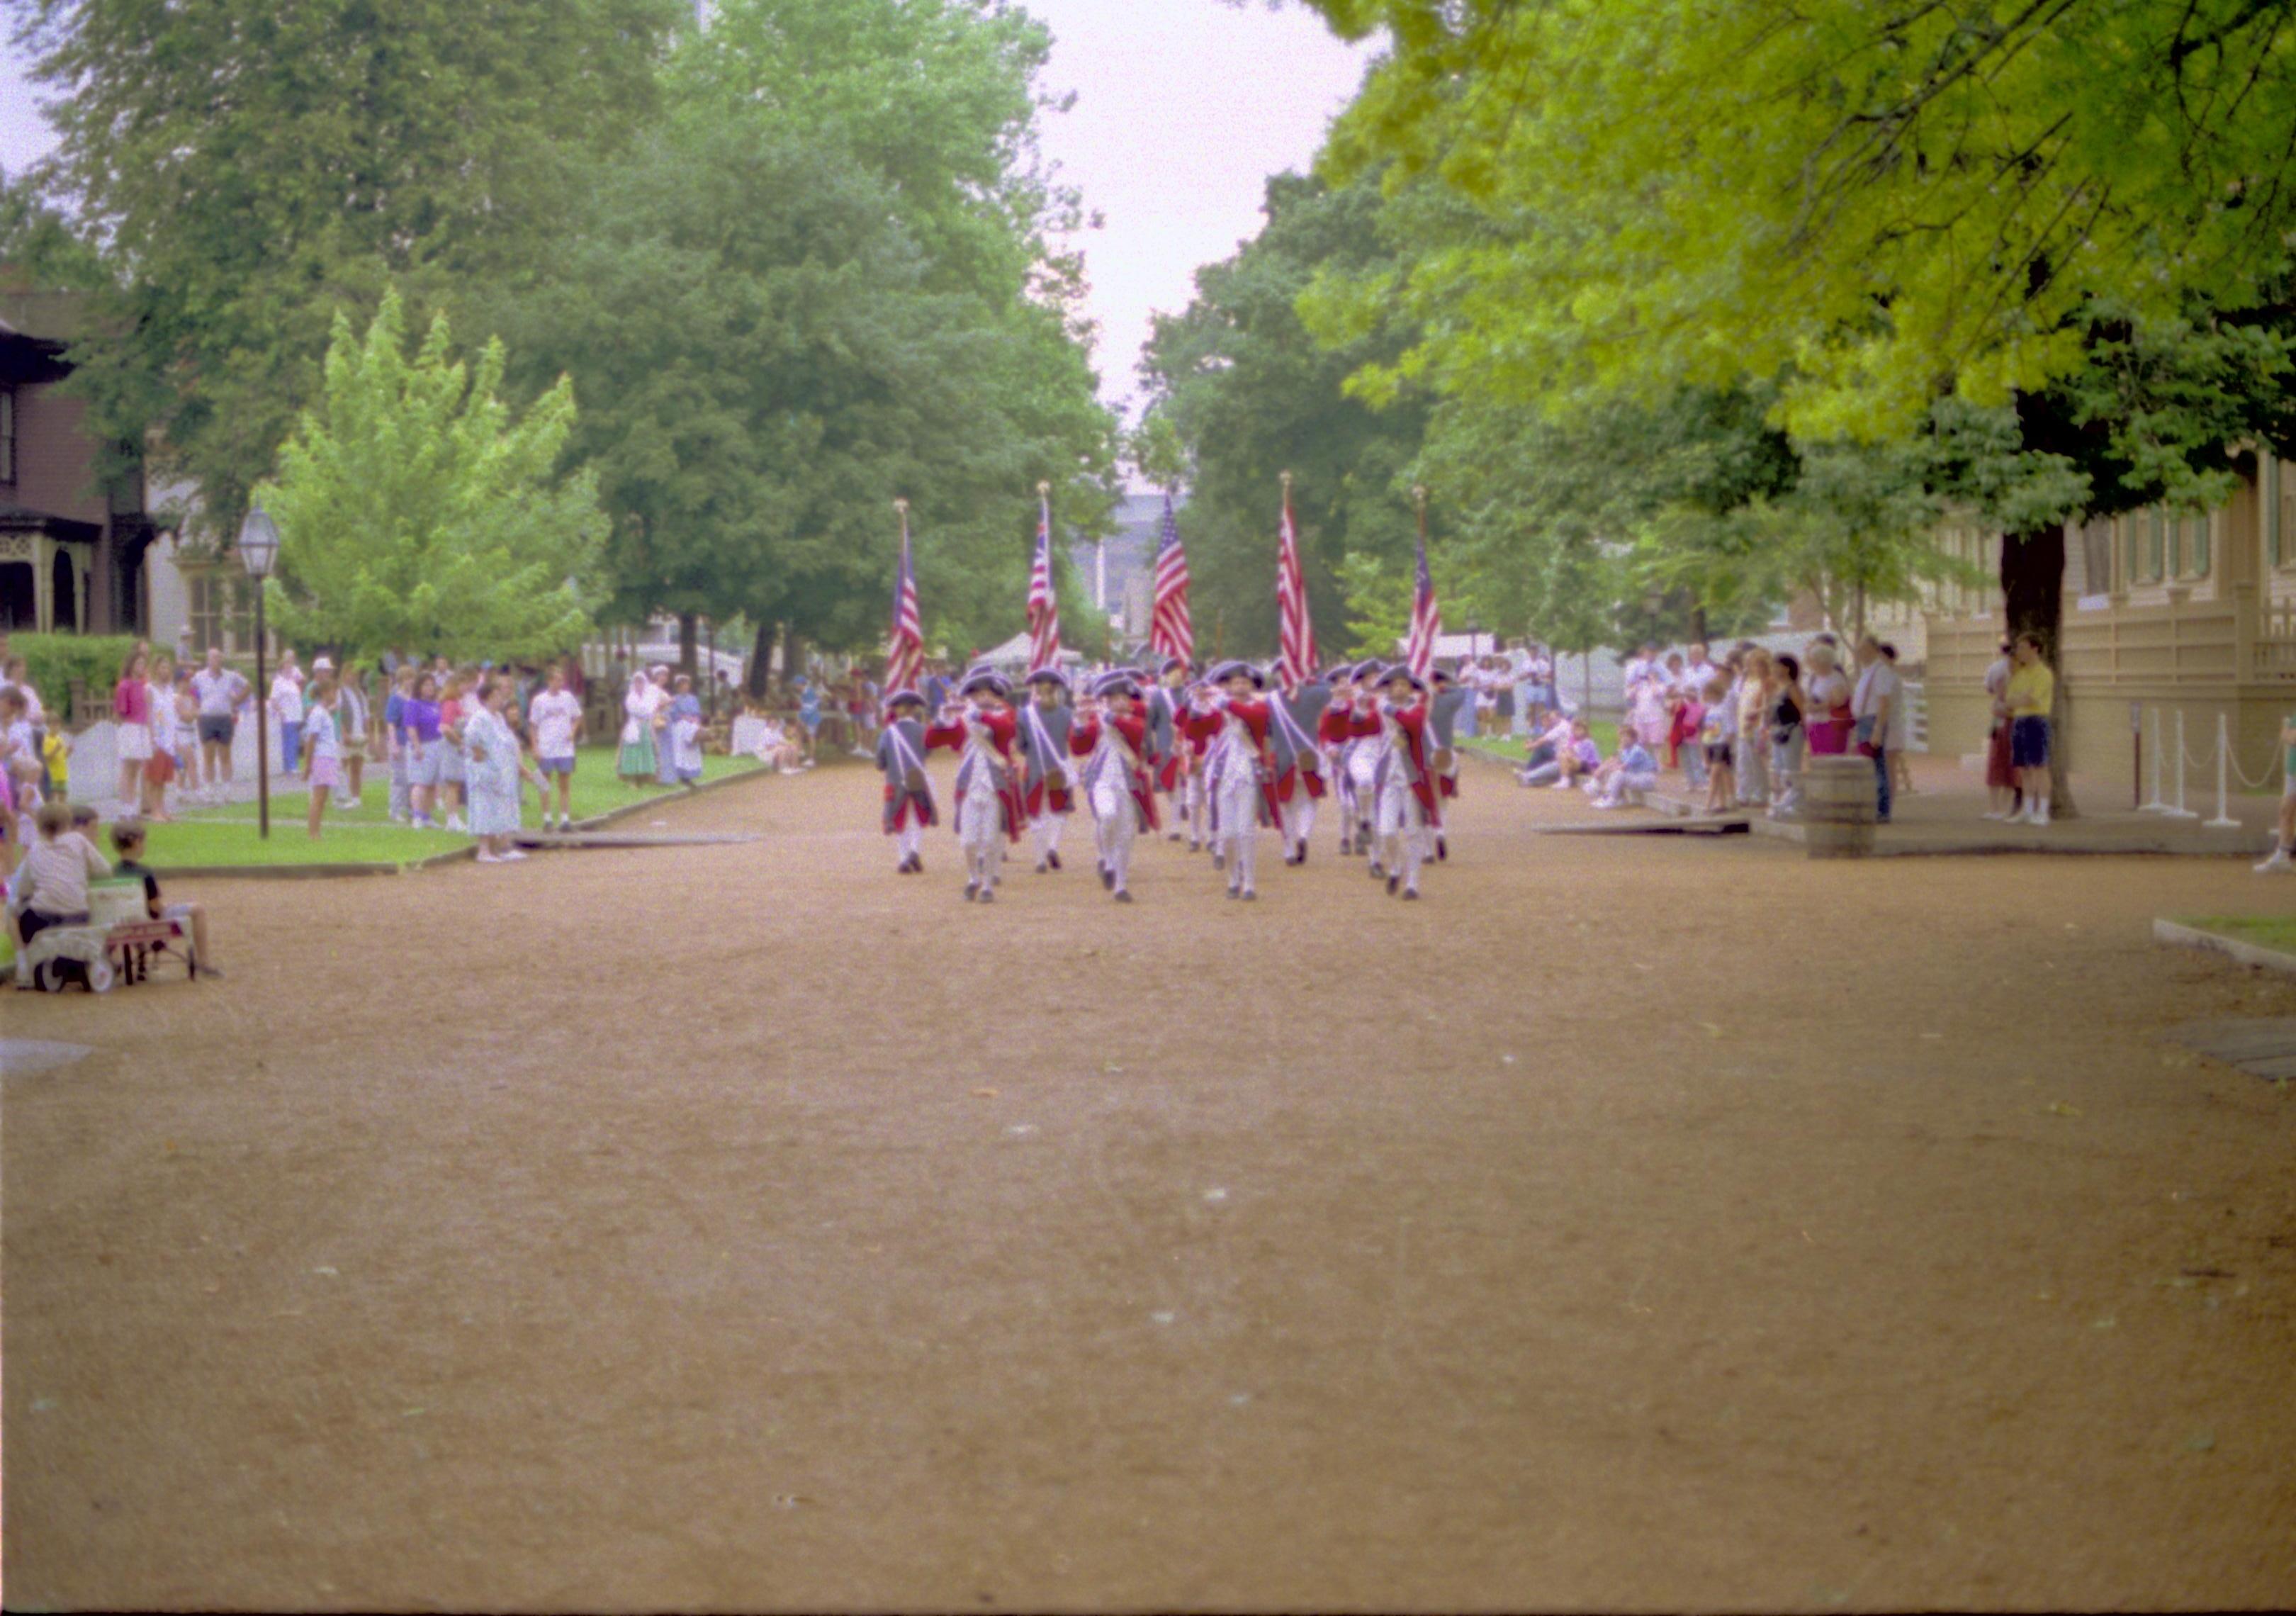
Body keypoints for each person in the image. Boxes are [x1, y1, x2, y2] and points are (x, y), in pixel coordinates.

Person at [923, 668, 1024, 902]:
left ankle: (988, 884)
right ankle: (973, 878)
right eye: (978, 695)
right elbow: (931, 741)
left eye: (988, 694)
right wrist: (944, 719)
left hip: (994, 785)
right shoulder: (964, 719)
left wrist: (977, 714)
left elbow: (1006, 731)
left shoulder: (1002, 715)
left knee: (990, 839)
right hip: (968, 785)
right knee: (968, 840)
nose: (983, 699)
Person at [1182, 661, 1279, 900]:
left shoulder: (1259, 707)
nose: (1240, 686)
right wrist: (1197, 709)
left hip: (1247, 770)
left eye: (1244, 682)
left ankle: (1250, 883)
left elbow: (1255, 719)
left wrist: (1225, 703)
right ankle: (1233, 880)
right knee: (1227, 834)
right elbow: (1196, 734)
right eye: (1235, 682)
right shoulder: (1219, 710)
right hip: (1222, 773)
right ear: (1228, 685)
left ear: (1252, 686)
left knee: (1246, 830)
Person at [1070, 673, 1159, 902]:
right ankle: (1107, 860)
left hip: (1128, 782)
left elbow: (1135, 733)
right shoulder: (1098, 721)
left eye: (1124, 698)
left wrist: (1107, 717)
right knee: (1107, 816)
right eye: (1114, 698)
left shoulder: (1135, 720)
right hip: (1101, 780)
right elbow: (1079, 748)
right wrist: (1080, 723)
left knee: (1126, 834)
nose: (1120, 702)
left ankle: (1120, 884)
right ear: (1106, 700)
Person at [1363, 663, 1442, 899]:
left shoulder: (1416, 709)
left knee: (1413, 831)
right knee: (1387, 831)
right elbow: (1361, 726)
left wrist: (1387, 708)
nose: (1399, 689)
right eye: (1395, 685)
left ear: (1410, 689)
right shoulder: (1380, 708)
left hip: (1412, 776)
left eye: (1403, 685)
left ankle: (1413, 883)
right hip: (1388, 775)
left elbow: (1412, 724)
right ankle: (1396, 866)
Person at [108, 818, 223, 973]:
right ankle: (204, 961)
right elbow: (156, 908)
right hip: (150, 923)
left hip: (124, 922)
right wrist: (166, 907)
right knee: (198, 910)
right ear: (136, 843)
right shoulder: (145, 872)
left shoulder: (113, 872)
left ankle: (138, 955)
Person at [7, 801, 109, 956]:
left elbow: (24, 890)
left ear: (40, 826)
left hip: (43, 917)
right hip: (78, 916)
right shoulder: (78, 840)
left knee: (11, 912)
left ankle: (22, 958)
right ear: (68, 823)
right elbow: (104, 870)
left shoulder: (35, 849)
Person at [463, 673, 543, 863]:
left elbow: (506, 743)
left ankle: (504, 846)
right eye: (497, 696)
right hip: (486, 771)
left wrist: (519, 767)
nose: (501, 700)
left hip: (503, 770)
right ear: (488, 698)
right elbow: (470, 736)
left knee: (504, 806)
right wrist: (477, 752)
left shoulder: (498, 717)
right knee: (485, 807)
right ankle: (484, 850)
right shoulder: (480, 717)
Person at [1268, 665, 1333, 866]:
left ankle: (1289, 850)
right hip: (1309, 753)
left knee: (1286, 805)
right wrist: (1315, 680)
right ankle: (1303, 835)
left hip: (1283, 756)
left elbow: (1267, 730)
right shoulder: (1314, 694)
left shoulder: (1272, 699)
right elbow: (1329, 689)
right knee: (1309, 800)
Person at [1013, 668, 1076, 873]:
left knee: (1035, 813)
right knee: (1060, 811)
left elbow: (1021, 746)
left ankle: (1040, 859)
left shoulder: (1024, 715)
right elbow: (1073, 742)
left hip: (1035, 769)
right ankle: (1052, 846)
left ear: (1036, 690)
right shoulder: (1067, 713)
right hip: (1059, 768)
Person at [875, 689, 938, 873]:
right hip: (918, 778)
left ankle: (903, 859)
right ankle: (914, 850)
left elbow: (880, 762)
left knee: (899, 819)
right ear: (914, 710)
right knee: (918, 817)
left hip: (896, 780)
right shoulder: (923, 730)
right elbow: (927, 752)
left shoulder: (888, 733)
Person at [2005, 632, 2055, 825]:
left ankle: (2042, 812)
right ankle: (2027, 809)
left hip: (2036, 720)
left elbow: (2031, 698)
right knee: (2024, 768)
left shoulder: (2044, 673)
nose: (2019, 652)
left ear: (2034, 649)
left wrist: (2021, 699)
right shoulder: (2020, 674)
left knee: (2039, 767)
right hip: (2019, 721)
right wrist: (2020, 699)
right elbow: (2009, 700)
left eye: (2023, 648)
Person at [529, 665, 584, 831]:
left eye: (562, 680)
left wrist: (573, 732)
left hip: (564, 747)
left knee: (564, 782)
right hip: (546, 745)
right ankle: (547, 818)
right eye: (557, 680)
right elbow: (533, 724)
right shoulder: (539, 700)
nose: (561, 683)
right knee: (544, 782)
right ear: (549, 681)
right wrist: (535, 746)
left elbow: (577, 716)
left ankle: (565, 818)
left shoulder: (567, 698)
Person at [1852, 633, 1900, 824]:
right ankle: (1874, 806)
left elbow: (1884, 702)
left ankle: (1882, 809)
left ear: (1873, 649)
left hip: (1872, 721)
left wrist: (1878, 728)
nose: (1859, 653)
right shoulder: (1867, 671)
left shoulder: (1881, 671)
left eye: (1863, 649)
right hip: (1864, 720)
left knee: (1877, 766)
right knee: (1869, 766)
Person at [189, 648, 248, 802]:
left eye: (219, 658)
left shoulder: (230, 676)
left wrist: (237, 700)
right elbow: (189, 688)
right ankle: (209, 789)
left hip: (224, 717)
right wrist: (196, 704)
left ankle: (227, 790)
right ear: (208, 660)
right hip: (207, 717)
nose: (217, 661)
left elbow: (247, 686)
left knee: (225, 754)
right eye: (214, 658)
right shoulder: (200, 677)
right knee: (208, 754)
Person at [1981, 638, 2020, 820]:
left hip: (2005, 722)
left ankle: (1996, 808)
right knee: (2005, 764)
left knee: (2001, 764)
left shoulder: (1996, 669)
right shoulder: (2011, 672)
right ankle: (2001, 807)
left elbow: (1991, 692)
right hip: (2003, 722)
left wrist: (2001, 707)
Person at [300, 675, 343, 839]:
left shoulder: (325, 712)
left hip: (329, 756)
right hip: (321, 757)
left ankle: (317, 830)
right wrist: (308, 764)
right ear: (325, 693)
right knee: (318, 797)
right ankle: (313, 833)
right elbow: (311, 739)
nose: (335, 694)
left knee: (323, 797)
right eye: (333, 691)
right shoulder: (318, 713)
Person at [113, 647, 154, 808]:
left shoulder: (145, 686)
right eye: (138, 663)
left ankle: (132, 804)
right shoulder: (125, 685)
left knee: (137, 768)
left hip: (142, 728)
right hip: (131, 727)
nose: (141, 667)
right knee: (128, 768)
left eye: (143, 664)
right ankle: (126, 806)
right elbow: (121, 712)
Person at [403, 671, 445, 829]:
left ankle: (427, 815)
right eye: (426, 685)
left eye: (432, 685)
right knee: (420, 782)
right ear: (419, 687)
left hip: (436, 744)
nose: (429, 688)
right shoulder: (413, 704)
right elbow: (411, 726)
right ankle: (417, 815)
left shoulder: (435, 704)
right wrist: (417, 745)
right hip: (422, 744)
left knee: (432, 783)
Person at [1768, 653, 1806, 817]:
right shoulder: (1778, 689)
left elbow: (1802, 711)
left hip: (1792, 731)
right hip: (1778, 732)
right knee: (1779, 767)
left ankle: (1796, 803)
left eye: (1778, 666)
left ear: (1787, 668)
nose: (1775, 670)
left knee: (1791, 769)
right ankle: (1788, 801)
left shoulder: (1792, 688)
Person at [2257, 713, 2296, 872]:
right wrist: (2289, 734)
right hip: (2293, 769)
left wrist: (2290, 735)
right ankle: (2283, 856)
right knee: (2286, 810)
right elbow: (2286, 734)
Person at [1803, 639, 1854, 756]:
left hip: (1831, 726)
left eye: (1812, 661)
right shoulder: (1814, 677)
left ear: (1821, 661)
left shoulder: (1835, 678)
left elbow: (1838, 701)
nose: (1810, 663)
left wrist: (1817, 707)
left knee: (1831, 759)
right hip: (1815, 724)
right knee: (1817, 760)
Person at [1587, 733, 1660, 808]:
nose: (1623, 740)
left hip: (1646, 779)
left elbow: (1623, 767)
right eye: (1622, 738)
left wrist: (1607, 769)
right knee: (1614, 772)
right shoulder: (1626, 751)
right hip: (1637, 777)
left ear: (1634, 739)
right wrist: (1606, 768)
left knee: (1618, 774)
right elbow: (1615, 762)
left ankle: (1612, 799)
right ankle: (1614, 797)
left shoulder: (1637, 750)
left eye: (1626, 737)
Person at [1699, 672, 1735, 814]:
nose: (1707, 697)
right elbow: (1708, 731)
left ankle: (1708, 805)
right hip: (1712, 744)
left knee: (1715, 774)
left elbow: (1730, 730)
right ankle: (1723, 802)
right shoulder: (1710, 711)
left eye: (1709, 694)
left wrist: (1726, 744)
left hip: (1721, 745)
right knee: (1719, 775)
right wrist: (1705, 750)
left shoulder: (1723, 710)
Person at [617, 670, 662, 785]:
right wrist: (644, 711)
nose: (639, 685)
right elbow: (635, 710)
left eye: (641, 682)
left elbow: (650, 709)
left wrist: (645, 711)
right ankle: (632, 777)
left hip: (646, 727)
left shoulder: (649, 697)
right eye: (637, 682)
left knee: (647, 750)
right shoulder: (630, 697)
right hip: (634, 726)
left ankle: (645, 776)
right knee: (633, 751)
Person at [337, 665, 371, 809]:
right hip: (347, 733)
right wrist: (343, 733)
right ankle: (341, 796)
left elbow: (366, 714)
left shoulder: (360, 693)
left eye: (355, 674)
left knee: (357, 767)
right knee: (343, 766)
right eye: (350, 674)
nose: (353, 677)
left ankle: (356, 797)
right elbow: (338, 715)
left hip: (359, 733)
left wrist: (368, 732)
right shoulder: (340, 693)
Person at [269, 650, 305, 775]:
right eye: (287, 666)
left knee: (295, 741)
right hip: (287, 716)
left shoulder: (292, 682)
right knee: (289, 741)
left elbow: (298, 696)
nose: (290, 668)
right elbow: (273, 699)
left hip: (296, 715)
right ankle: (290, 766)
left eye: (291, 666)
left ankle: (292, 764)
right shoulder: (278, 682)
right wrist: (281, 711)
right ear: (282, 667)